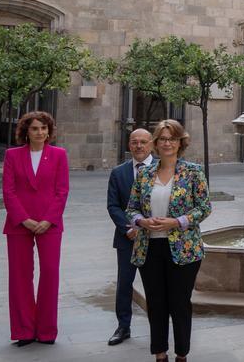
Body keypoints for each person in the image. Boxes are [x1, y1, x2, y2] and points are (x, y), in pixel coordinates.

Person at [127, 119, 212, 362]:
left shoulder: (193, 172)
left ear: (180, 142)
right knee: (155, 304)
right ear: (156, 143)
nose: (167, 143)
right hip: (149, 247)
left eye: (172, 139)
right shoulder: (144, 173)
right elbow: (130, 208)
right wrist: (141, 222)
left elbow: (204, 208)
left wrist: (177, 222)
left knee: (180, 303)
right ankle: (160, 353)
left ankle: (182, 353)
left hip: (183, 248)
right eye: (162, 139)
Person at [3, 111, 70, 347]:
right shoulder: (12, 155)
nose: (40, 132)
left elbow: (62, 191)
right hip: (19, 223)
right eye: (34, 128)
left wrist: (48, 219)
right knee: (20, 277)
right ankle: (24, 330)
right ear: (26, 132)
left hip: (49, 223)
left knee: (50, 274)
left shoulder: (59, 155)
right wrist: (24, 219)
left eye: (43, 128)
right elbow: (8, 192)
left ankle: (46, 331)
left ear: (49, 131)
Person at [106, 128, 154, 346]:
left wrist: (149, 228)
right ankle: (123, 326)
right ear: (129, 145)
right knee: (125, 284)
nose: (139, 146)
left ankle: (158, 325)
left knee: (155, 286)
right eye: (135, 142)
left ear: (151, 144)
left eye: (143, 142)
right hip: (127, 238)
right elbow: (113, 205)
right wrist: (129, 228)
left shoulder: (164, 169)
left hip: (156, 238)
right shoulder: (118, 172)